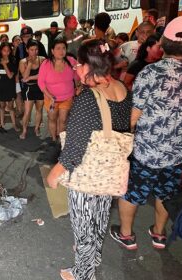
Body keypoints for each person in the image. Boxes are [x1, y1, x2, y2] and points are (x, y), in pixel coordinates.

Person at [110, 16, 182, 251]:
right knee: (167, 192)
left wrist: (121, 145)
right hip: (176, 152)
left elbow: (134, 115)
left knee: (132, 192)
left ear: (162, 42)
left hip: (145, 152)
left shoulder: (149, 74)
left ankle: (126, 235)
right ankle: (159, 234)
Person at [47, 39, 132, 280]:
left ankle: (83, 273)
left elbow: (74, 150)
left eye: (79, 65)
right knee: (99, 217)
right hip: (109, 172)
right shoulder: (123, 89)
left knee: (83, 226)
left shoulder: (88, 99)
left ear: (89, 66)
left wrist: (55, 174)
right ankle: (92, 255)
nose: (76, 69)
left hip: (88, 173)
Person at [38, 39, 79, 143]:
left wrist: (79, 86)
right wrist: (49, 95)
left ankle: (62, 140)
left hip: (67, 97)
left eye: (64, 48)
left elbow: (78, 75)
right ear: (52, 51)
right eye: (58, 48)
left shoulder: (71, 61)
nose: (61, 51)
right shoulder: (46, 64)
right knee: (52, 118)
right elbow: (41, 82)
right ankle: (53, 138)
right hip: (50, 99)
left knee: (63, 120)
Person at [18, 40, 45, 139]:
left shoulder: (42, 59)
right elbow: (24, 77)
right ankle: (24, 130)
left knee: (39, 110)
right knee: (27, 111)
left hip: (40, 87)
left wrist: (30, 78)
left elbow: (43, 76)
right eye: (32, 50)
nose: (34, 52)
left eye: (36, 49)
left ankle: (36, 128)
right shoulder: (23, 62)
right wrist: (29, 64)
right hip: (29, 88)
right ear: (27, 50)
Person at [0, 42, 19, 131]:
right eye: (4, 50)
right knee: (1, 106)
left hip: (10, 87)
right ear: (1, 51)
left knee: (11, 107)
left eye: (8, 50)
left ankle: (14, 125)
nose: (6, 52)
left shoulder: (13, 61)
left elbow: (10, 76)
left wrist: (5, 64)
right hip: (0, 87)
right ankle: (1, 123)